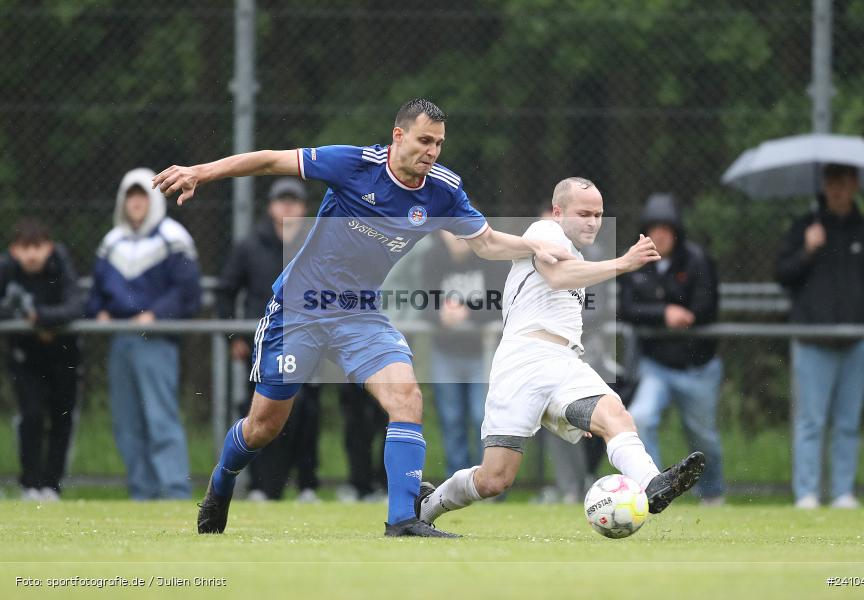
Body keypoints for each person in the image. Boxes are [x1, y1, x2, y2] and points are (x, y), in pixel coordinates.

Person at [152, 98, 573, 537]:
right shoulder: (354, 164)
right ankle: (221, 483)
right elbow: (269, 161)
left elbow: (484, 242)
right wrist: (201, 171)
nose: (432, 151)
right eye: (424, 140)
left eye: (439, 144)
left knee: (407, 399)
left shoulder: (443, 190)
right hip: (301, 308)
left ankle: (402, 522)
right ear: (398, 136)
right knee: (263, 427)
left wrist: (533, 247)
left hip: (359, 315)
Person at [418, 177, 705, 528]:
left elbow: (564, 295)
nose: (593, 221)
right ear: (558, 212)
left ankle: (652, 484)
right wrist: (623, 263)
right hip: (522, 362)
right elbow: (558, 276)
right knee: (495, 479)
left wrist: (578, 408)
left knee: (615, 415)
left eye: (598, 214)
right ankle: (428, 506)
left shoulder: (579, 256)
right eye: (583, 212)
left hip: (564, 363)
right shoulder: (546, 231)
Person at [775, 163, 864, 509]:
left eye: (843, 182)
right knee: (810, 421)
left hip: (857, 344)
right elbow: (783, 274)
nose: (837, 189)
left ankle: (843, 492)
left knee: (848, 422)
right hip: (812, 343)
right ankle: (807, 493)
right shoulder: (805, 229)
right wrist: (808, 249)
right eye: (831, 182)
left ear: (855, 185)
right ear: (824, 186)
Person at [86, 168, 202, 500]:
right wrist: (100, 312)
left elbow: (187, 292)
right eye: (130, 195)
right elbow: (96, 294)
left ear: (153, 198)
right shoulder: (111, 243)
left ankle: (174, 491)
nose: (136, 202)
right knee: (127, 423)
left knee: (160, 417)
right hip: (121, 341)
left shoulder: (173, 236)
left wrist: (156, 315)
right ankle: (142, 493)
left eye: (142, 195)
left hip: (157, 341)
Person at [216, 177, 322, 502]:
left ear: (304, 208)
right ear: (270, 206)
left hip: (309, 343)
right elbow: (225, 293)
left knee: (307, 414)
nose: (288, 207)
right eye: (282, 200)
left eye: (294, 201)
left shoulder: (316, 245)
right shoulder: (249, 246)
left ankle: (306, 486)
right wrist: (234, 336)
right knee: (262, 417)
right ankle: (262, 487)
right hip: (263, 346)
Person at [619, 193, 725, 505]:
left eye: (666, 228)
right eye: (653, 228)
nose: (660, 235)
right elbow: (626, 308)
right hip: (657, 365)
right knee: (641, 416)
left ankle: (713, 494)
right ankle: (653, 490)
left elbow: (705, 308)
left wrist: (667, 306)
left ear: (676, 230)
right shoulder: (637, 262)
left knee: (703, 437)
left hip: (698, 367)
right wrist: (664, 313)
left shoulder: (697, 260)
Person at [0, 219, 83, 501]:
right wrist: (23, 320)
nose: (32, 255)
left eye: (38, 247)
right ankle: (30, 485)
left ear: (49, 247)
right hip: (25, 359)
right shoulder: (7, 269)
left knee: (62, 420)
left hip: (63, 357)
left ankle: (51, 485)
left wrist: (42, 319)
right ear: (14, 250)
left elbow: (74, 306)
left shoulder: (60, 264)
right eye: (25, 248)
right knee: (31, 417)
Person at [423, 229, 506, 477]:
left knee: (482, 417)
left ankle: (488, 481)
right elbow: (423, 302)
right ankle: (457, 485)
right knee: (451, 419)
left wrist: (466, 312)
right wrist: (440, 314)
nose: (457, 236)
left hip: (484, 353)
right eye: (451, 230)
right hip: (445, 352)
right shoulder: (432, 257)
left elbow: (501, 302)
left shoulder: (490, 258)